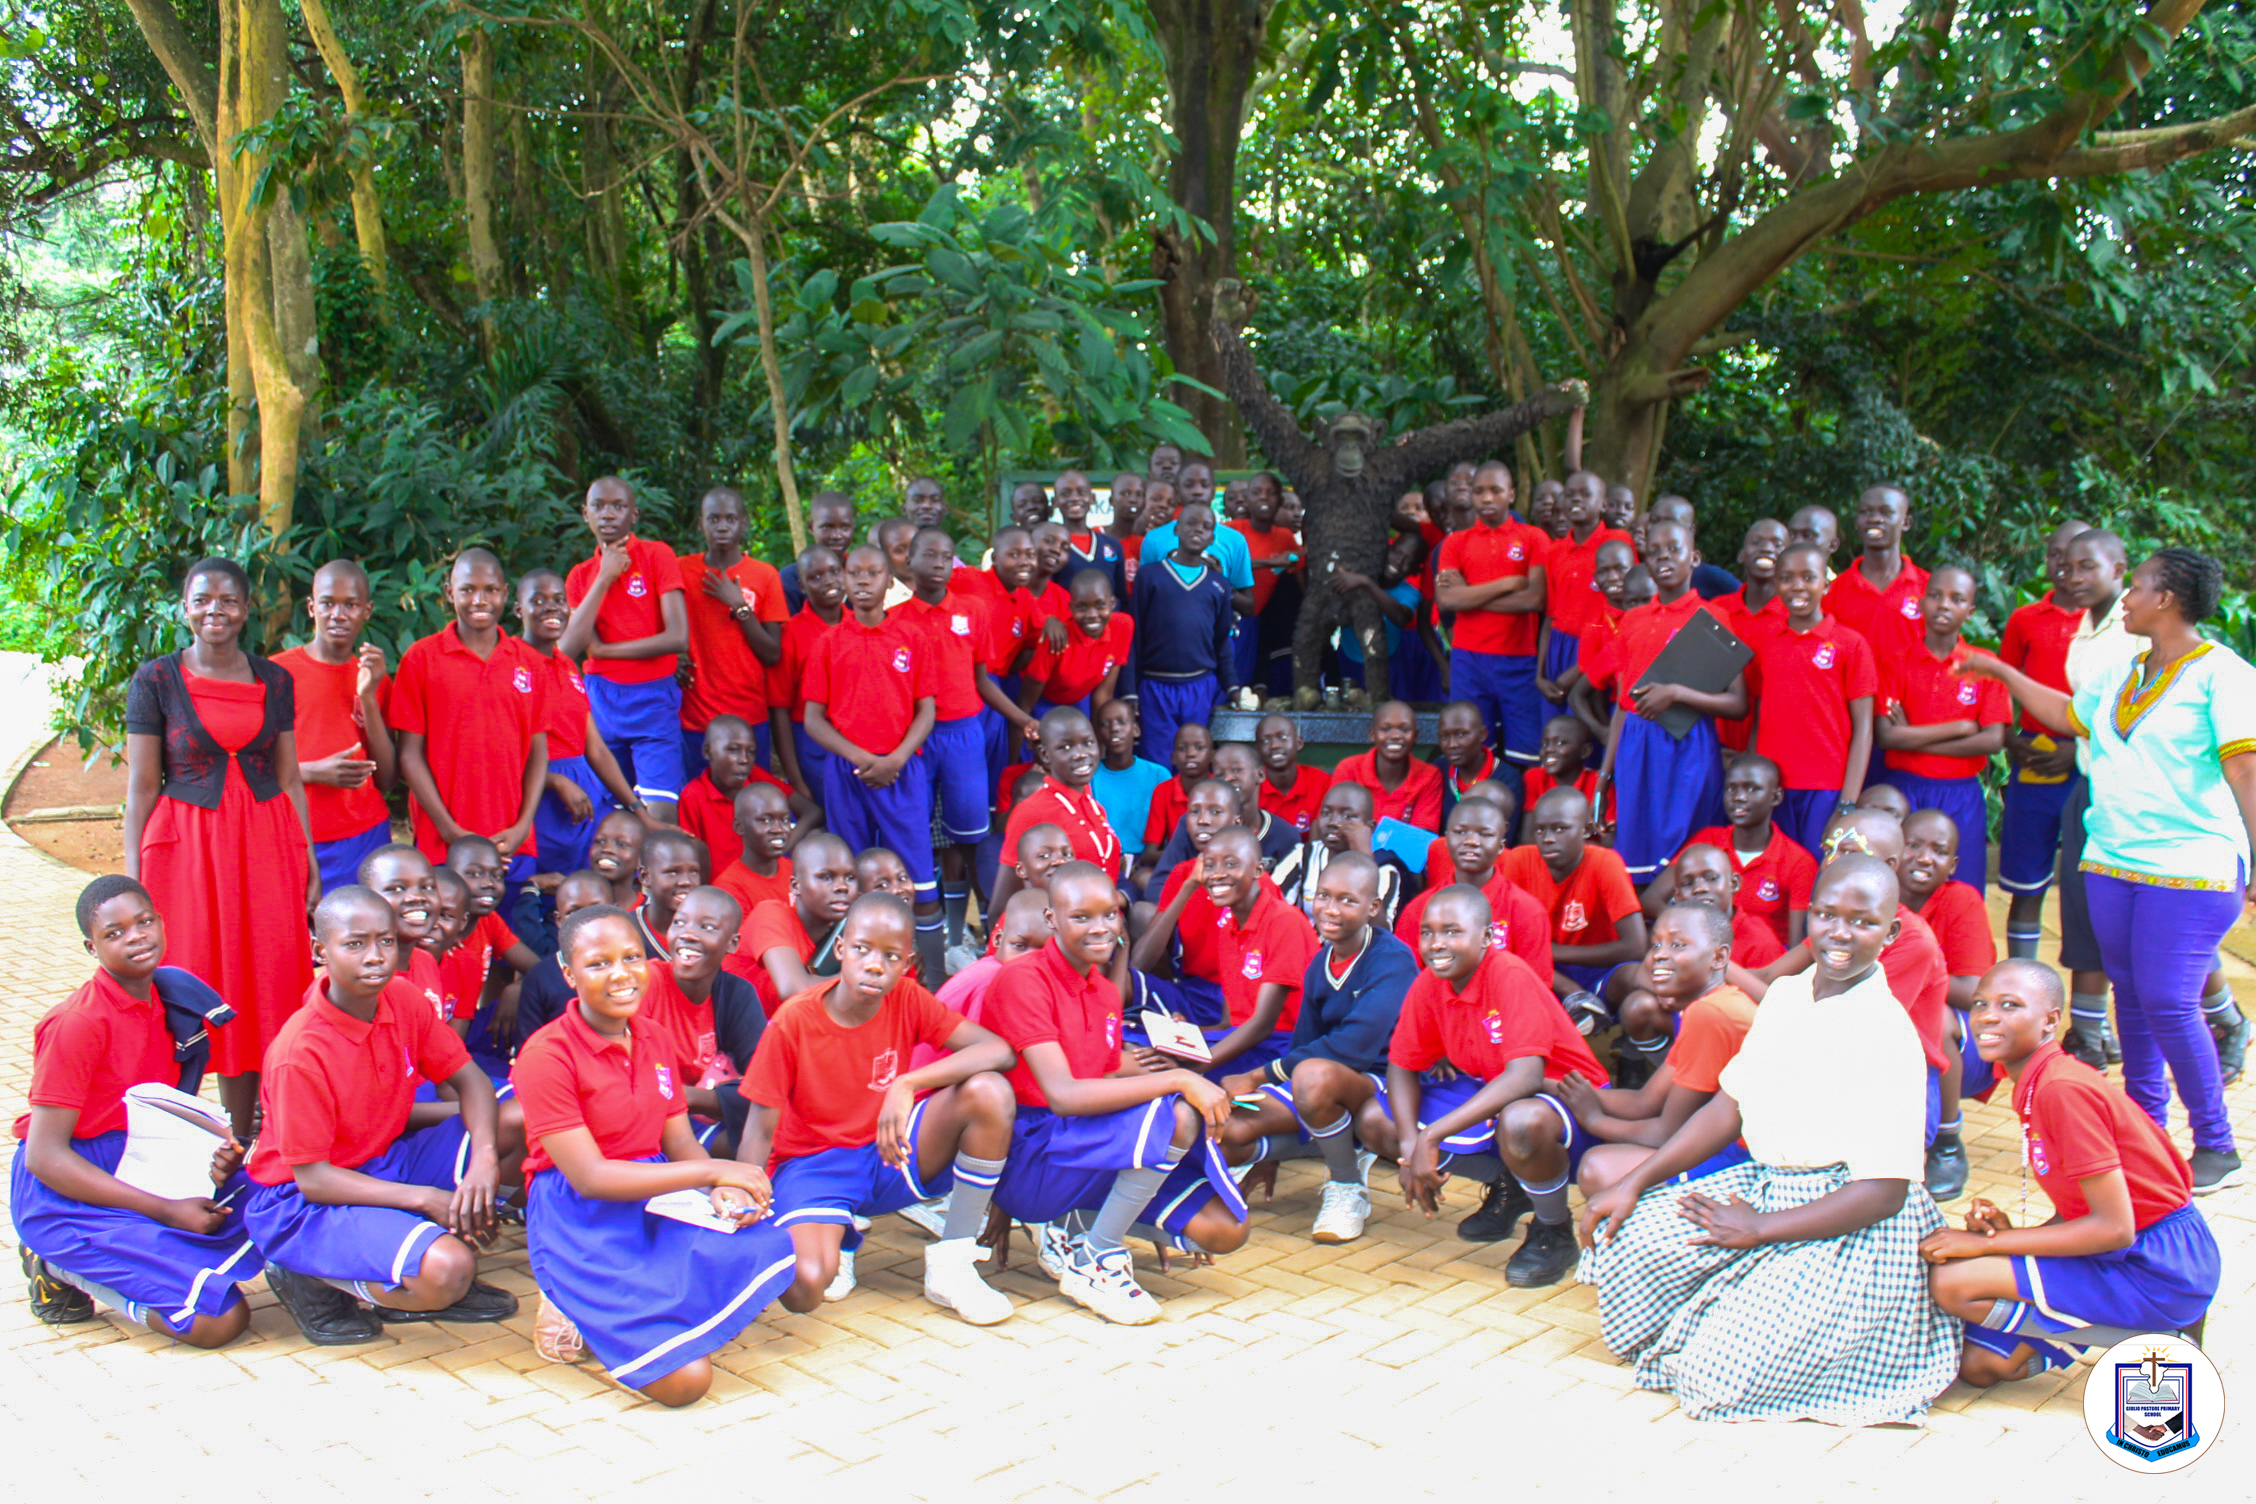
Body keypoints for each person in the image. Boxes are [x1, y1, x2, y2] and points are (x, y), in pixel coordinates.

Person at [1578, 857, 1959, 1426]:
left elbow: (1883, 1193)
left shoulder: (1886, 1034)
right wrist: (1634, 1185)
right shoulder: (1785, 995)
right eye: (1827, 914)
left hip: (1850, 1222)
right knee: (1631, 1242)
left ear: (1891, 933)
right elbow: (1727, 1107)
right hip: (1768, 1188)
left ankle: (1754, 1313)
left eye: (1861, 921)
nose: (1839, 932)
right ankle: (1743, 1299)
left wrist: (1758, 1230)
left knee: (1715, 1378)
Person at [1960, 548, 2256, 1193]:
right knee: (2133, 1000)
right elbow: (2069, 716)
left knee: (2171, 1002)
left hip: (2193, 864)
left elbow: (2244, 770)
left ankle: (2216, 1143)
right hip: (2113, 860)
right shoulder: (2125, 667)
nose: (2126, 597)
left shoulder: (2223, 676)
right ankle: (2146, 1129)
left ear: (2168, 598)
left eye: (2139, 586)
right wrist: (2000, 672)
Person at [512, 902, 792, 1403]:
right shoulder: (545, 1056)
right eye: (598, 963)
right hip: (581, 1215)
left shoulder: (654, 1037)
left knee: (767, 1244)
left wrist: (719, 1186)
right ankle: (565, 1296)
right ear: (568, 972)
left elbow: (679, 1140)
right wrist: (721, 1167)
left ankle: (633, 1314)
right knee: (687, 1383)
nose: (621, 975)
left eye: (633, 957)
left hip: (652, 1194)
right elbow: (591, 1178)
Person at [1921, 960, 2221, 1384]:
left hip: (2159, 1266)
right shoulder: (2038, 1081)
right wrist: (2007, 1241)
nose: (1987, 1015)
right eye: (1981, 1004)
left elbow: (2115, 1228)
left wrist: (1996, 1246)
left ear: (2051, 1021)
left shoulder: (2062, 1090)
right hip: (2125, 1250)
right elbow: (2085, 1210)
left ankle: (2160, 1337)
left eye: (2010, 1005)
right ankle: (2081, 1325)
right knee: (1983, 1366)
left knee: (1953, 1281)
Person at [245, 886, 517, 1346]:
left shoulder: (401, 997)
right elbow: (313, 1178)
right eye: (355, 944)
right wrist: (425, 1199)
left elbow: (471, 1080)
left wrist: (485, 1162)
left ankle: (404, 1256)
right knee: (448, 1271)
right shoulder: (300, 1052)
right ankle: (312, 1277)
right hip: (306, 1200)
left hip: (386, 1159)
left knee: (522, 1118)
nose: (375, 957)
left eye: (386, 941)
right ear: (320, 950)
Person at [984, 864, 1249, 1324]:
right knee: (1179, 1116)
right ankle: (1096, 1259)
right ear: (1052, 919)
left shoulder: (1105, 992)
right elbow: (1064, 1095)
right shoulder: (1022, 979)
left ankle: (1083, 1227)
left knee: (1227, 1231)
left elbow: (1103, 1077)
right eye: (1081, 916)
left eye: (1110, 914)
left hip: (1079, 1141)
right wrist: (1180, 1081)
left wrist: (1179, 1064)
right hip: (1036, 1153)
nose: (1100, 927)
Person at [739, 892, 1020, 1322]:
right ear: (840, 950)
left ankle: (954, 1261)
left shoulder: (907, 998)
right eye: (862, 949)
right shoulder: (794, 1021)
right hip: (814, 1167)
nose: (875, 964)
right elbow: (759, 1131)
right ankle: (839, 1235)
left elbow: (997, 1050)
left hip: (888, 1150)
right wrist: (746, 1205)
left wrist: (909, 1083)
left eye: (891, 956)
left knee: (990, 1092)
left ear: (907, 962)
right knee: (804, 1288)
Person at [12, 875, 258, 1346]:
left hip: (142, 1162)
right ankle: (56, 1265)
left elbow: (159, 1113)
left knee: (274, 1199)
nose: (136, 936)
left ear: (161, 924)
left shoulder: (171, 999)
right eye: (115, 932)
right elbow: (44, 1156)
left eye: (144, 921)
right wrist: (166, 1210)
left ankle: (164, 1252)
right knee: (216, 1321)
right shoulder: (77, 1024)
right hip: (70, 1188)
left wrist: (216, 1154)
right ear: (91, 946)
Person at [123, 557, 318, 1136]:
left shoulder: (274, 679)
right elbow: (140, 786)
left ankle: (247, 1132)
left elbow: (288, 778)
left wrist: (307, 856)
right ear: (185, 607)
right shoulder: (155, 679)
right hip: (186, 851)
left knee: (266, 978)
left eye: (229, 600)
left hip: (265, 845)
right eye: (203, 599)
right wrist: (132, 879)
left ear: (247, 608)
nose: (216, 610)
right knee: (190, 977)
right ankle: (167, 1127)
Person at [1370, 885, 1610, 1284]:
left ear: (1487, 937)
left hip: (1568, 1101)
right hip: (1497, 1091)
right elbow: (1401, 1066)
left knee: (1521, 1122)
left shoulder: (1509, 974)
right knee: (1377, 1116)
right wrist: (1410, 1144)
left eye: (1452, 931)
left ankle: (1553, 1228)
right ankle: (1511, 1184)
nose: (1436, 943)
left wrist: (1431, 1139)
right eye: (1427, 932)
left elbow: (1527, 1077)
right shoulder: (1430, 983)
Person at [1216, 852, 1418, 1242]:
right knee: (1231, 1125)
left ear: (1373, 907)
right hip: (1324, 1080)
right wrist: (1262, 1094)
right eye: (1323, 895)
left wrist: (1256, 1075)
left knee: (1310, 1077)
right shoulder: (1320, 962)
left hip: (1382, 1081)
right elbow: (1304, 1044)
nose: (1330, 909)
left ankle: (1347, 1186)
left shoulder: (1393, 959)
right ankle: (1306, 1149)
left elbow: (1353, 1047)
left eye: (1348, 900)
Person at [1583, 518, 1746, 883]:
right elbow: (1624, 707)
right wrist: (1605, 774)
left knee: (1688, 856)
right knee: (1637, 858)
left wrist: (1677, 693)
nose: (1664, 558)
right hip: (1636, 748)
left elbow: (1738, 704)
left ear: (1695, 557)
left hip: (1689, 747)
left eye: (1674, 549)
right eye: (1654, 552)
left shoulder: (1714, 618)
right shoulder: (1633, 620)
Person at [1561, 901, 1759, 1197]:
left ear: (1719, 958)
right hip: (1733, 1146)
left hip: (1752, 1160)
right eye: (1655, 945)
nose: (1660, 955)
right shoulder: (1709, 1006)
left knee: (1598, 1168)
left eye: (1678, 944)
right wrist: (1557, 1088)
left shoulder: (1712, 1014)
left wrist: (1595, 1120)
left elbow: (1666, 1132)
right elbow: (1645, 1102)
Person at [394, 549, 551, 884]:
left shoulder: (530, 663)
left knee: (511, 934)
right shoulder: (421, 659)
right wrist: (449, 830)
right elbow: (408, 754)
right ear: (450, 594)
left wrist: (523, 826)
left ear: (505, 594)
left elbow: (539, 752)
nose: (479, 600)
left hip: (511, 842)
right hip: (443, 844)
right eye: (467, 590)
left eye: (490, 590)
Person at [805, 543, 940, 924]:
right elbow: (813, 719)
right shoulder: (829, 642)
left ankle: (928, 970)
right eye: (855, 573)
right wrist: (862, 758)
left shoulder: (912, 637)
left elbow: (926, 711)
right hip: (848, 771)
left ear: (889, 581)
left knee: (917, 872)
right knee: (851, 873)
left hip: (902, 770)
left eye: (873, 573)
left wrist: (895, 759)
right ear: (845, 580)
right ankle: (855, 957)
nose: (863, 581)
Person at [893, 525, 1005, 958]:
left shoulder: (973, 610)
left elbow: (983, 680)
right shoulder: (897, 620)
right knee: (915, 834)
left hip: (964, 734)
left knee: (968, 836)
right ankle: (927, 936)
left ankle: (965, 934)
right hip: (916, 738)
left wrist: (1017, 718)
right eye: (929, 556)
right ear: (910, 562)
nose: (938, 564)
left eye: (946, 556)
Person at [561, 476, 690, 819]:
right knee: (608, 813)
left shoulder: (657, 556)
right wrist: (604, 576)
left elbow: (678, 637)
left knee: (661, 810)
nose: (608, 515)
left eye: (618, 507)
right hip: (601, 700)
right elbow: (569, 647)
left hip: (653, 698)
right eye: (599, 507)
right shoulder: (580, 576)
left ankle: (661, 871)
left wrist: (604, 651)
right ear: (585, 513)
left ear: (634, 515)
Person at [1872, 565, 2008, 892]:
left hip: (1960, 792)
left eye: (1956, 599)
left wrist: (1912, 739)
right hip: (1906, 789)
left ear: (1971, 611)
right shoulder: (1896, 662)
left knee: (1962, 887)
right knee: (1898, 886)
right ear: (1920, 603)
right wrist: (1961, 727)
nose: (1944, 605)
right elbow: (1887, 736)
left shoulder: (1984, 665)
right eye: (1935, 596)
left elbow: (1992, 740)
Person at [1995, 521, 2092, 959]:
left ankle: (2091, 1005)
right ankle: (2021, 975)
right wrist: (2011, 741)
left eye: (2076, 558)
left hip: (2092, 759)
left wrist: (2081, 750)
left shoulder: (2117, 625)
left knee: (2090, 884)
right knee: (2024, 879)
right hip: (2035, 754)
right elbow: (2004, 685)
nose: (2065, 567)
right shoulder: (2025, 619)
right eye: (2056, 555)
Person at [273, 560, 397, 894]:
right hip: (295, 834)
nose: (338, 615)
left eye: (351, 605)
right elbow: (248, 767)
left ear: (367, 611)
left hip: (363, 834)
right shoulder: (276, 674)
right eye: (328, 603)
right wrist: (312, 772)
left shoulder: (374, 677)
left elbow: (387, 778)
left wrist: (368, 697)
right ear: (312, 608)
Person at [516, 569, 643, 890]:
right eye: (538, 600)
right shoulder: (512, 664)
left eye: (559, 600)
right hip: (539, 795)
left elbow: (595, 747)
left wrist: (637, 808)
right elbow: (503, 754)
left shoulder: (567, 665)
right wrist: (555, 781)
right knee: (547, 891)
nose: (551, 608)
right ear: (519, 610)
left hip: (585, 791)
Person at [1750, 542, 1876, 855]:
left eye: (1808, 577)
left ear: (1826, 583)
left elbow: (1864, 729)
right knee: (1778, 873)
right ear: (1776, 583)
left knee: (1819, 873)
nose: (1798, 587)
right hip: (1773, 786)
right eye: (1787, 578)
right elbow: (1759, 714)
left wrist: (1847, 801)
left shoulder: (1851, 644)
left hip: (1827, 787)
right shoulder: (1766, 642)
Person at [1900, 808, 1996, 1200]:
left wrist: (1913, 967)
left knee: (1933, 1017)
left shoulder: (1961, 900)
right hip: (1897, 1034)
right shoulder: (1874, 897)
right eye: (1914, 845)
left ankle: (1948, 1142)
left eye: (1938, 851)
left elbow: (1974, 989)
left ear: (1953, 865)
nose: (1925, 857)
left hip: (1966, 1047)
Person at [1434, 461, 1548, 773]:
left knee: (1527, 755)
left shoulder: (1533, 538)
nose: (1487, 498)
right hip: (1469, 662)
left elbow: (1535, 599)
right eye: (1479, 491)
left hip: (1520, 660)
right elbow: (1447, 599)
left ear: (1511, 494)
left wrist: (1469, 595)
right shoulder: (1456, 542)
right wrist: (1509, 584)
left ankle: (1522, 820)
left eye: (1495, 490)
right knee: (1473, 753)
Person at [1642, 753, 1814, 950]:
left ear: (1775, 797)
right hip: (1700, 948)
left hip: (1762, 959)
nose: (1739, 798)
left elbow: (1797, 943)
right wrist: (1690, 928)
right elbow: (1650, 901)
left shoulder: (1799, 861)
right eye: (1731, 789)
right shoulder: (1707, 840)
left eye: (1752, 789)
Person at [676, 486, 788, 778]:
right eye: (713, 519)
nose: (722, 526)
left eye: (730, 518)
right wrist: (672, 658)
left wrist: (740, 606)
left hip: (748, 717)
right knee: (698, 805)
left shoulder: (765, 575)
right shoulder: (681, 571)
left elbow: (772, 653)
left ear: (744, 523)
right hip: (694, 718)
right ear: (701, 523)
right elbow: (658, 627)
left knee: (752, 804)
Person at [1507, 787, 1647, 1021]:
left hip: (1602, 967)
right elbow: (1510, 946)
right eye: (1540, 830)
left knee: (1638, 978)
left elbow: (1636, 947)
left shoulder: (1605, 862)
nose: (1548, 838)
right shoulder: (1519, 861)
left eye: (1560, 829)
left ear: (1587, 830)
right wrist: (1571, 989)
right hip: (1546, 973)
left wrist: (1555, 952)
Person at [1392, 796, 1555, 986]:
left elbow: (1535, 987)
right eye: (1460, 832)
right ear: (1447, 840)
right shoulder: (1418, 910)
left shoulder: (1527, 911)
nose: (1471, 841)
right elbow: (1403, 981)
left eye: (1485, 834)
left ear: (1501, 846)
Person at [1129, 501, 1237, 764]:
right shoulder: (1149, 576)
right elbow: (1134, 637)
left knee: (1194, 761)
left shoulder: (1218, 585)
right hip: (1155, 686)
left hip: (1199, 686)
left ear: (1212, 537)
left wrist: (1233, 688)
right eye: (1190, 523)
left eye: (1206, 526)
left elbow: (1221, 642)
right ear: (1176, 529)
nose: (1197, 530)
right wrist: (1130, 691)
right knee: (1158, 761)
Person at [768, 544, 848, 809]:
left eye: (835, 572)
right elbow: (779, 709)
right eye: (816, 577)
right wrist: (796, 779)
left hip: (859, 740)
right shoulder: (791, 634)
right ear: (802, 586)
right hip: (812, 745)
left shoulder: (861, 625)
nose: (829, 581)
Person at [1538, 470, 1633, 693]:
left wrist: (1581, 668)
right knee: (1555, 722)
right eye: (1570, 495)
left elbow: (1628, 610)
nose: (1576, 499)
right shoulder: (1555, 551)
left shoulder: (1618, 542)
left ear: (1603, 505)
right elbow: (1551, 617)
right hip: (1560, 646)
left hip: (1603, 644)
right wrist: (1540, 675)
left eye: (1585, 494)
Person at [740, 831, 858, 1009]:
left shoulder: (845, 930)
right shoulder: (770, 914)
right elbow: (794, 990)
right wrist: (861, 977)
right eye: (826, 877)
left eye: (850, 878)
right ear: (796, 886)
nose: (842, 887)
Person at [676, 714, 804, 877]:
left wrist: (782, 846)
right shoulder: (694, 796)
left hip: (764, 879)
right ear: (708, 752)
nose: (744, 760)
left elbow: (812, 812)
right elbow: (692, 854)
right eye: (733, 750)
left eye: (750, 752)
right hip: (720, 891)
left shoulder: (755, 777)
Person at [1272, 780, 1410, 928]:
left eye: (1348, 816)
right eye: (1326, 813)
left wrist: (1364, 858)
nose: (1333, 822)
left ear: (1369, 828)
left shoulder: (1384, 870)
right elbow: (1271, 904)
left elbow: (1381, 931)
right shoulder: (1304, 855)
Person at [1711, 518, 1789, 752]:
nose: (1766, 549)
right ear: (1741, 555)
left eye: (1777, 544)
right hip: (1716, 737)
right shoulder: (1716, 610)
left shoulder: (1796, 617)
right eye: (1757, 542)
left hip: (1773, 740)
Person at [1020, 569, 1134, 719]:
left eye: (1100, 605)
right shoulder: (1057, 639)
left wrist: (1098, 740)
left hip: (1079, 699)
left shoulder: (1122, 626)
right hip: (1042, 701)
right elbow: (1025, 705)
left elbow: (1103, 693)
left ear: (1112, 604)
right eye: (1082, 607)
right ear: (1071, 607)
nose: (1092, 615)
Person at [1090, 698, 1171, 884]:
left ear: (1136, 729)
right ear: (1098, 734)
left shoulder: (1158, 775)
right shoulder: (1091, 776)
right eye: (1105, 724)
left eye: (1121, 722)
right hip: (1102, 862)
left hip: (1146, 863)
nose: (1114, 729)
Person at [1332, 700, 1444, 830]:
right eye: (1386, 729)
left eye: (1405, 729)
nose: (1395, 736)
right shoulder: (1349, 769)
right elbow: (1336, 826)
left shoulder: (1429, 776)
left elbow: (1421, 839)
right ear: (1372, 735)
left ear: (1416, 736)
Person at [713, 781, 796, 932]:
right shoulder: (729, 888)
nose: (778, 829)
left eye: (784, 820)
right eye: (765, 820)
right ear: (739, 827)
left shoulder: (796, 871)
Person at [632, 827, 708, 964]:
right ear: (645, 876)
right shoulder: (627, 930)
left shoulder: (709, 930)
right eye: (673, 872)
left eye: (694, 872)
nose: (686, 881)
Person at [778, 491, 857, 611]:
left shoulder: (862, 573)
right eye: (827, 527)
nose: (837, 535)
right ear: (811, 527)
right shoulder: (790, 578)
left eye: (845, 527)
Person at [1055, 469, 1127, 601]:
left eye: (1081, 492)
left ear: (1092, 498)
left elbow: (1120, 596)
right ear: (1055, 502)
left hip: (1108, 620)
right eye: (1065, 494)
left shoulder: (1112, 545)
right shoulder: (1053, 546)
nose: (1074, 498)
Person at [1253, 712, 1329, 835]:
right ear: (1258, 750)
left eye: (1282, 737)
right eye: (1265, 741)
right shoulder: (1252, 785)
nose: (1274, 745)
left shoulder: (1321, 783)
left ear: (1299, 743)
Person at [1431, 700, 1497, 817]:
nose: (1452, 744)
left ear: (1483, 734)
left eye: (1461, 734)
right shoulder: (1438, 770)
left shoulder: (1505, 778)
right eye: (1445, 736)